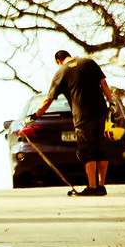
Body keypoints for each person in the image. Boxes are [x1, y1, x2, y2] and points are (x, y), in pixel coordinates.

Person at [32, 50, 115, 197]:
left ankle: (92, 187)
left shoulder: (61, 73)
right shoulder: (89, 62)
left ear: (58, 61)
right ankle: (102, 186)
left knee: (87, 150)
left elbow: (48, 100)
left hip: (83, 116)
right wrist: (111, 102)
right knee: (100, 147)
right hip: (100, 111)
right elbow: (104, 84)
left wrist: (36, 115)